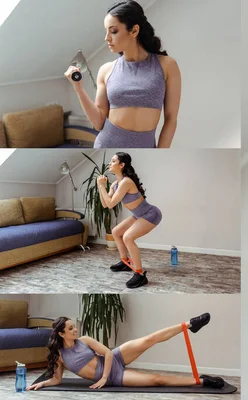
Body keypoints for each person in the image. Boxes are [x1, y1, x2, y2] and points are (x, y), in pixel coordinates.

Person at [65, 0, 181, 148]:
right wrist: (78, 88)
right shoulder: (106, 70)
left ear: (134, 31)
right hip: (107, 144)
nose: (106, 37)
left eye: (113, 31)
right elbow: (98, 122)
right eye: (106, 31)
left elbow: (171, 119)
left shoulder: (167, 65)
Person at [26, 314, 224, 390]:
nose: (75, 330)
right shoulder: (60, 356)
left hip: (114, 361)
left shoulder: (84, 340)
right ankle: (202, 380)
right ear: (61, 334)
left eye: (73, 326)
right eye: (70, 329)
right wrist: (43, 383)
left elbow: (109, 353)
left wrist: (103, 378)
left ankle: (189, 324)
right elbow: (57, 380)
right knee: (156, 379)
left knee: (148, 339)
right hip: (117, 375)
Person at [98, 152, 161, 289]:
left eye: (113, 161)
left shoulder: (126, 182)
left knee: (128, 237)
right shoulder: (115, 184)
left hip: (150, 214)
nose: (110, 163)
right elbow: (105, 204)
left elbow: (110, 204)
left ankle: (139, 275)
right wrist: (100, 186)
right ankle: (125, 262)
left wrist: (102, 186)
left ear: (121, 165)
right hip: (138, 214)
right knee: (116, 232)